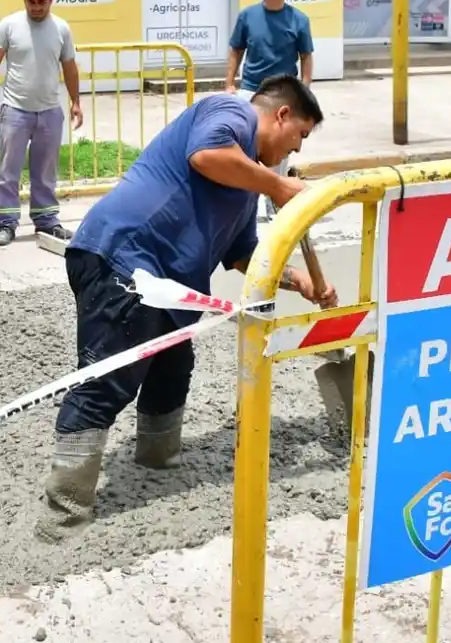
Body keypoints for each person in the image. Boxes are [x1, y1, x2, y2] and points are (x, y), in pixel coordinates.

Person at [37, 74, 338, 542]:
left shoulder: (247, 184)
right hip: (124, 260)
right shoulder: (231, 112)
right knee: (106, 384)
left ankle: (157, 463)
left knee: (172, 368)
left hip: (167, 286)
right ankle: (63, 515)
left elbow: (242, 255)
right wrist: (278, 187)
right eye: (299, 134)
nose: (295, 150)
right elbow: (206, 155)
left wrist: (297, 278)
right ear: (281, 114)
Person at [0, 0, 84, 246]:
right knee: (9, 170)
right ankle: (6, 223)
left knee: (46, 171)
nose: (36, 7)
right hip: (16, 110)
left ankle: (47, 220)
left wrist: (75, 101)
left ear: (50, 1)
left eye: (41, 2)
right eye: (31, 2)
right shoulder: (9, 25)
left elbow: (70, 67)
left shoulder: (61, 28)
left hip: (50, 111)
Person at [225, 0, 316, 218]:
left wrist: (305, 90)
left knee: (279, 150)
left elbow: (306, 56)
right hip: (251, 92)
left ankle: (275, 200)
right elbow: (236, 50)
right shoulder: (247, 16)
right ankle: (248, 204)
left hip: (284, 95)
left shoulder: (299, 20)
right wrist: (230, 84)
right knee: (247, 147)